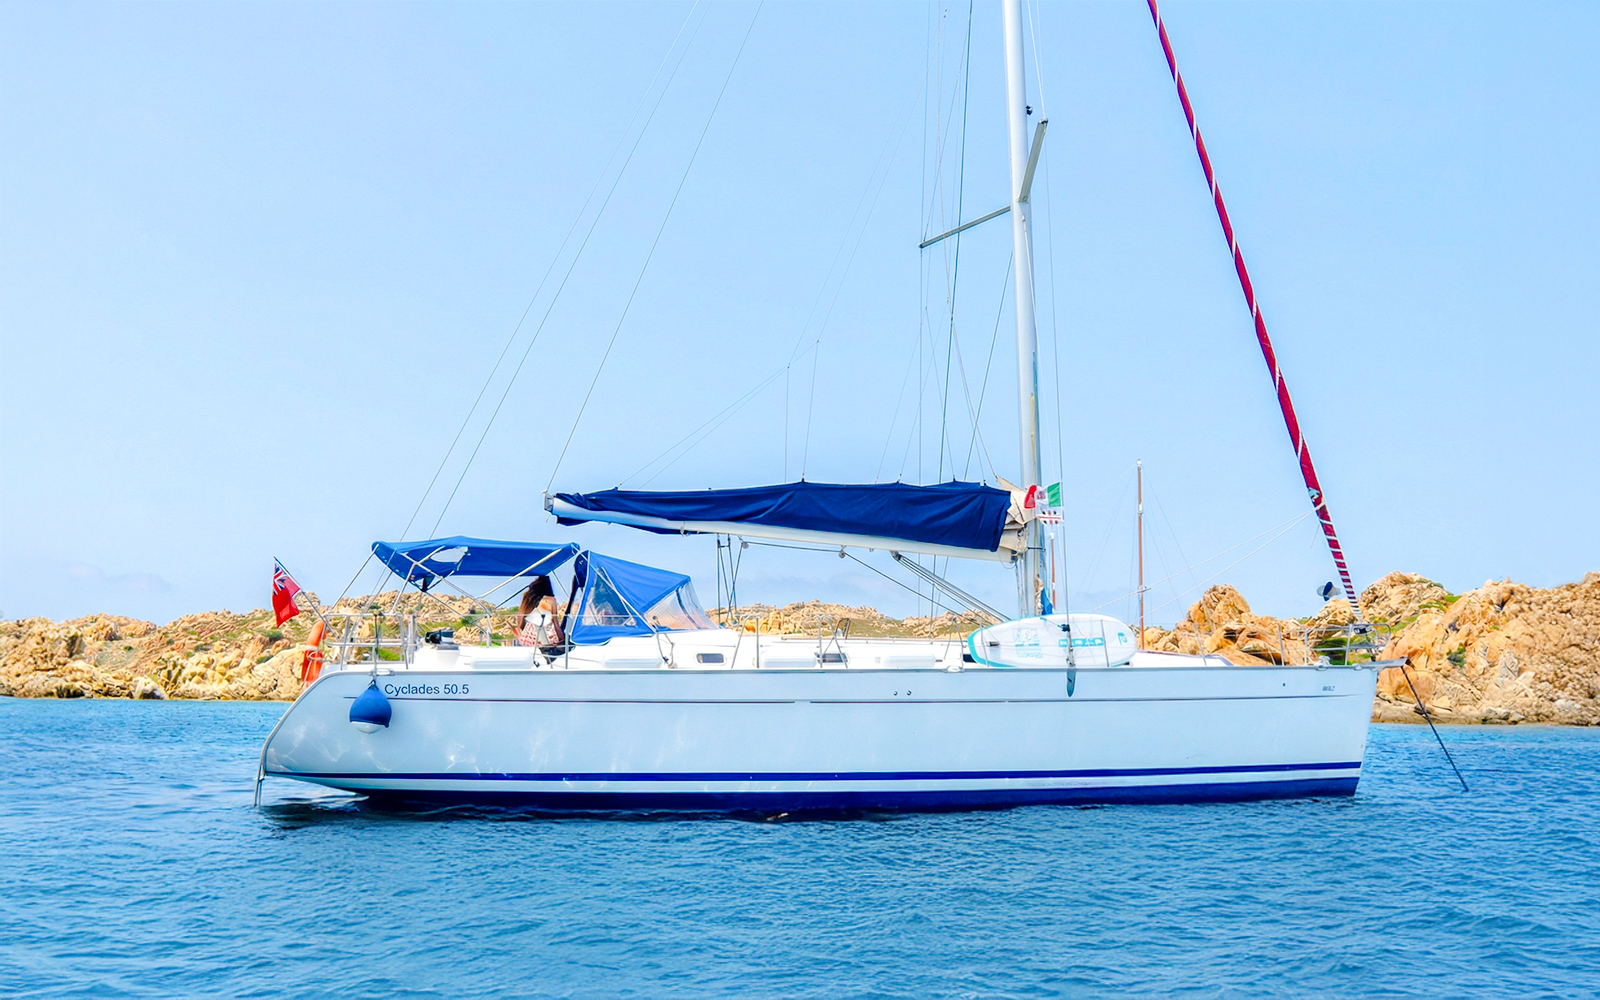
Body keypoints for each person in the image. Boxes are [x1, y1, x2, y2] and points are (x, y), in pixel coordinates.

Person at [514, 576, 564, 649]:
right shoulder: (550, 600)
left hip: (528, 639)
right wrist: (562, 639)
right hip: (545, 640)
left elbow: (521, 620)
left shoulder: (527, 599)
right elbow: (555, 622)